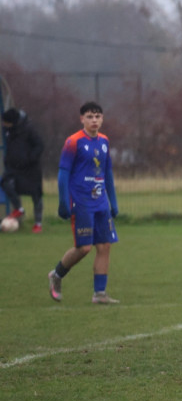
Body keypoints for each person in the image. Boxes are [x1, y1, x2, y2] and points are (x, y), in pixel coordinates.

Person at [47, 102, 120, 304]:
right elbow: (63, 175)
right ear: (82, 119)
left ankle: (99, 294)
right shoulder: (73, 142)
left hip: (100, 202)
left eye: (97, 116)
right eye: (89, 116)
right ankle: (57, 274)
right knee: (84, 248)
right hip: (81, 202)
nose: (94, 120)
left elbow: (108, 173)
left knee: (105, 246)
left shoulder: (104, 141)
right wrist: (63, 203)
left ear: (102, 118)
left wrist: (113, 201)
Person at [1, 107, 45, 233]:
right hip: (14, 169)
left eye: (5, 122)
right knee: (5, 183)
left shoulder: (29, 129)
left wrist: (30, 158)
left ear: (12, 121)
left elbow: (39, 145)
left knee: (36, 196)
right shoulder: (9, 131)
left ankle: (38, 224)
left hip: (31, 169)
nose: (3, 124)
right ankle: (19, 208)